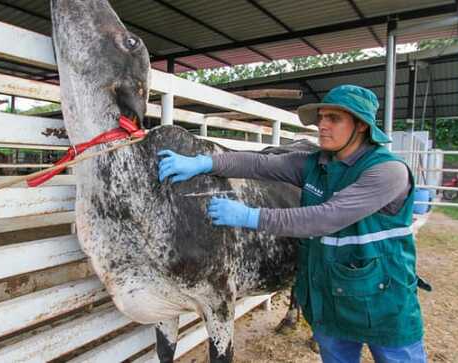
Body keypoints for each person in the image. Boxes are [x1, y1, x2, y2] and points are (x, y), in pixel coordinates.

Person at [157, 85, 426, 363]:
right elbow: (259, 165)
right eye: (321, 117)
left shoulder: (387, 171)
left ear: (360, 126)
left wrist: (250, 216)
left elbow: (326, 217)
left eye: (334, 119)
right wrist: (203, 162)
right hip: (331, 294)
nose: (322, 125)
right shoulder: (314, 164)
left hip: (383, 299)